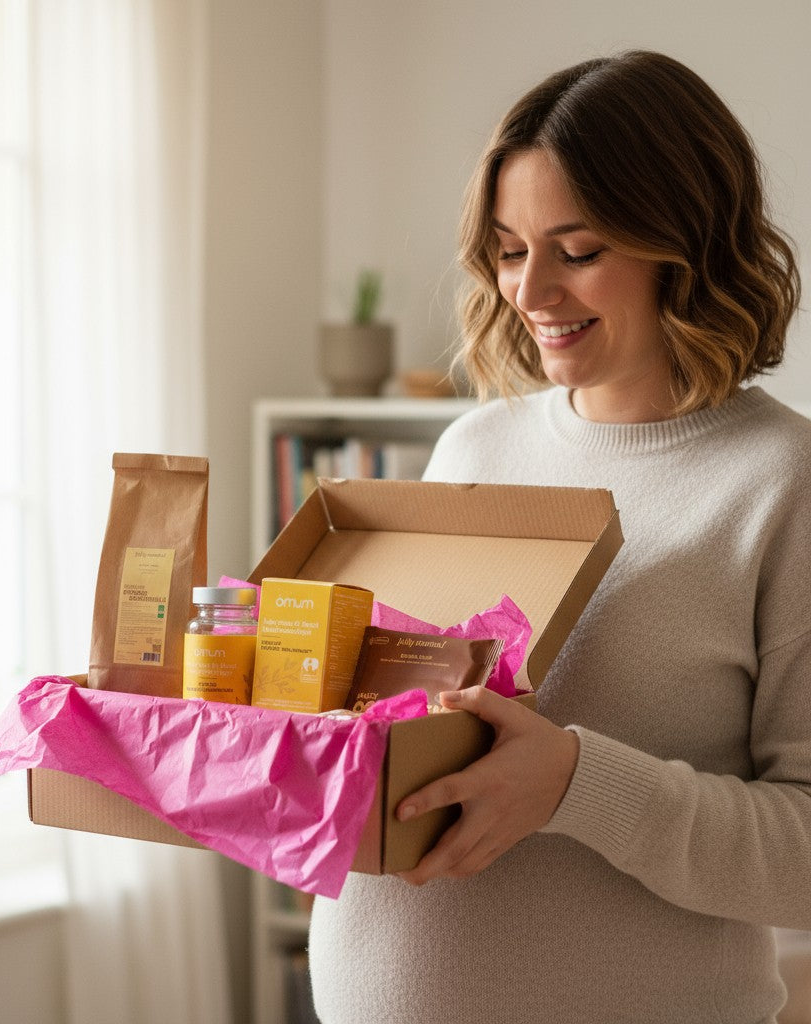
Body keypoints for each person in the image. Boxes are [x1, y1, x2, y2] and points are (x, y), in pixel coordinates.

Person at [308, 50, 811, 1023]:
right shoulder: (472, 444)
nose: (529, 291)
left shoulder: (780, 481)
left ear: (686, 243)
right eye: (506, 248)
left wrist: (578, 781)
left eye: (576, 250)